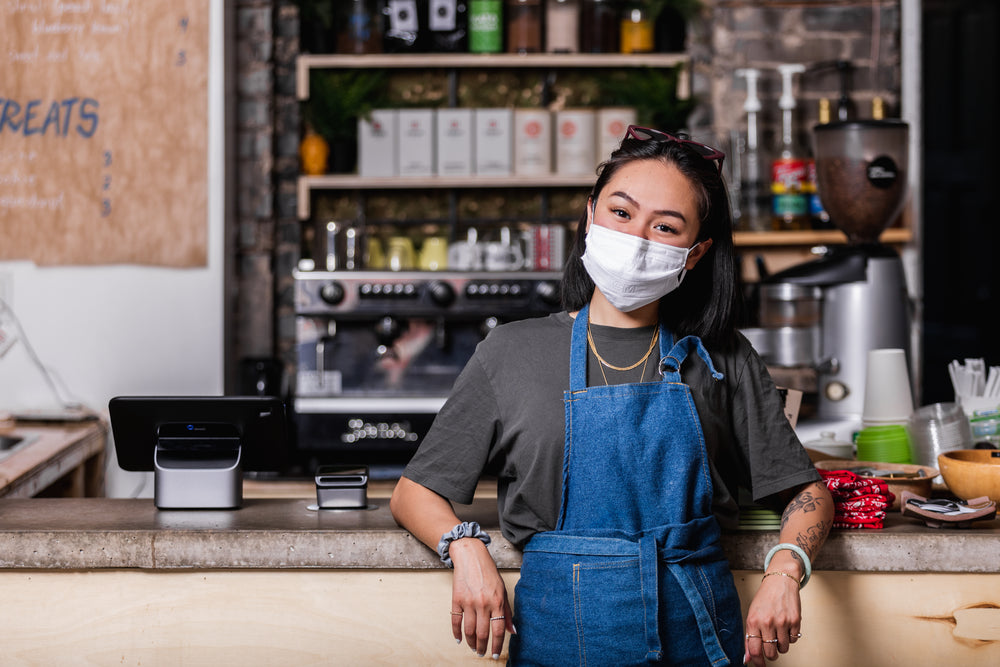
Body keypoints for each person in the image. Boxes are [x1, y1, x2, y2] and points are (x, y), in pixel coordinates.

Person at [390, 126, 834, 666]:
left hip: (698, 634)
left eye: (665, 226)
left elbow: (806, 494)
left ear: (695, 254)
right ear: (590, 216)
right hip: (559, 640)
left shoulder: (725, 356)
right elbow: (414, 492)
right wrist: (466, 547)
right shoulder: (510, 352)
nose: (637, 237)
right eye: (621, 214)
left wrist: (785, 573)